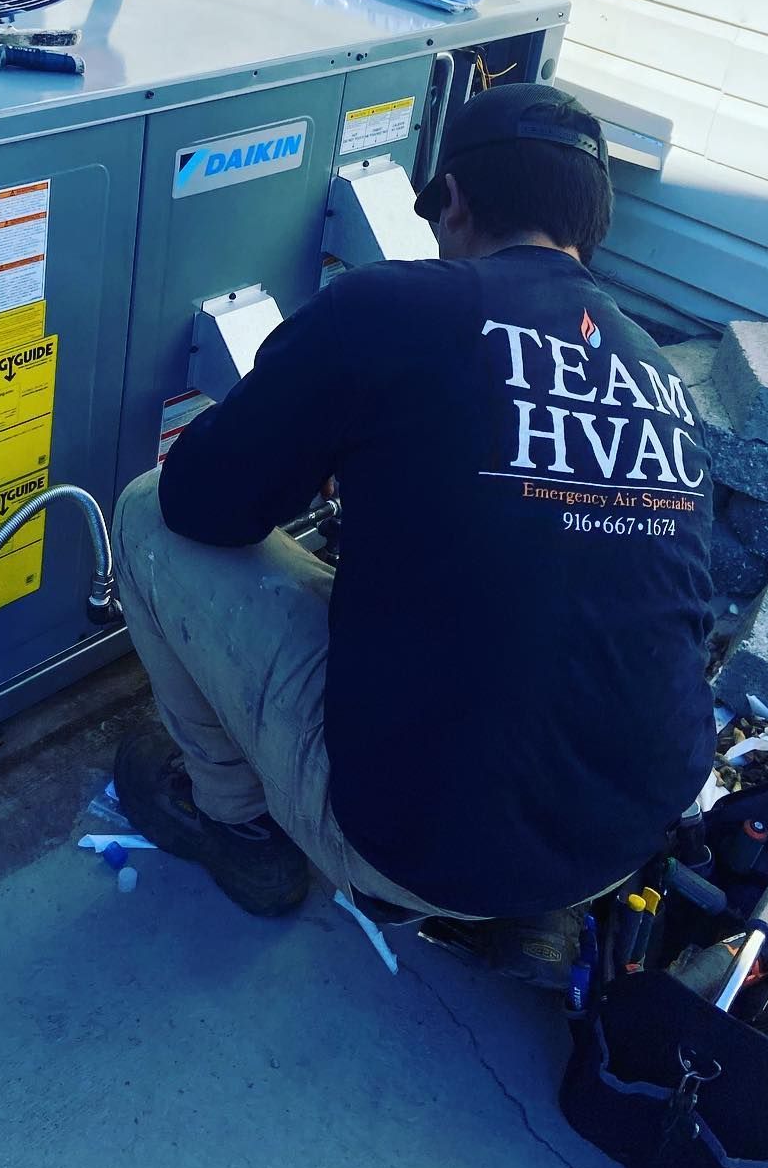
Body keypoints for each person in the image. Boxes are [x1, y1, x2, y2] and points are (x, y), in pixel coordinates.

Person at [112, 82, 715, 977]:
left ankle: (231, 820)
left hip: (418, 845)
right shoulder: (659, 376)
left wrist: (313, 437)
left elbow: (201, 501)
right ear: (590, 226)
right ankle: (529, 906)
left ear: (457, 201)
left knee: (143, 511)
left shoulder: (392, 309)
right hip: (621, 839)